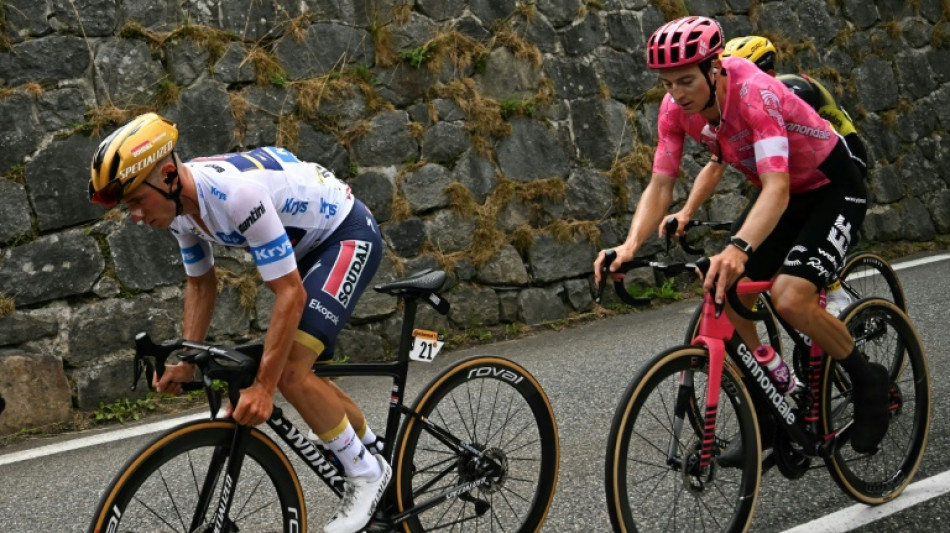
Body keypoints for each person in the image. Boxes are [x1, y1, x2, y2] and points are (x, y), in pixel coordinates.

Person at [592, 16, 889, 454]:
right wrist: (629, 245)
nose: (676, 94)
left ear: (715, 68)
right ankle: (767, 414)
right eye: (667, 83)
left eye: (687, 80)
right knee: (725, 293)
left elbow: (777, 187)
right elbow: (660, 184)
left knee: (790, 297)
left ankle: (869, 384)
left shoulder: (755, 93)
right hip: (781, 196)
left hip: (830, 187)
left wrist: (737, 248)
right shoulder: (674, 110)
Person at [88, 113, 390, 533]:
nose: (135, 215)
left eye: (137, 201)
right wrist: (188, 360)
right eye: (128, 206)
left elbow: (290, 293)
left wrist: (264, 388)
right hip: (305, 246)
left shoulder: (235, 197)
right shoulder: (181, 213)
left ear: (170, 176)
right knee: (298, 367)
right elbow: (201, 284)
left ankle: (366, 473)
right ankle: (372, 450)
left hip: (345, 234)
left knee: (288, 371)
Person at [664, 35, 870, 316]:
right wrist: (686, 211)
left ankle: (833, 290)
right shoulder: (729, 105)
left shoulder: (783, 91)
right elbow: (717, 162)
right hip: (793, 179)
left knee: (810, 239)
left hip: (842, 157)